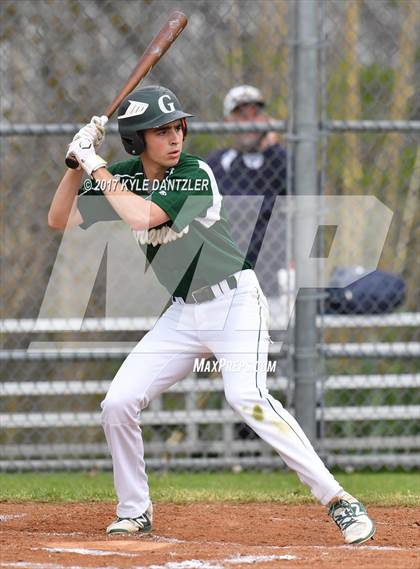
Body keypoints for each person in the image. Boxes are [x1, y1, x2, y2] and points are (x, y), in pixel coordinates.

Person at [48, 85, 375, 544]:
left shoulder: (194, 174)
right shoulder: (123, 174)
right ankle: (135, 510)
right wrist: (74, 162)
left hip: (234, 303)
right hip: (182, 314)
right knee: (118, 404)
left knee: (249, 397)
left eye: (177, 126)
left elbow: (143, 217)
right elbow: (59, 219)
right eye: (160, 131)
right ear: (137, 140)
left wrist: (95, 164)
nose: (175, 137)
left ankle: (340, 500)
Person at [207, 85, 287, 297]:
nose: (249, 122)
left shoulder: (278, 159)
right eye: (241, 115)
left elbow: (307, 188)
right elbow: (242, 203)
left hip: (276, 270)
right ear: (228, 123)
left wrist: (273, 148)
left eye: (255, 114)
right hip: (229, 273)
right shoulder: (217, 163)